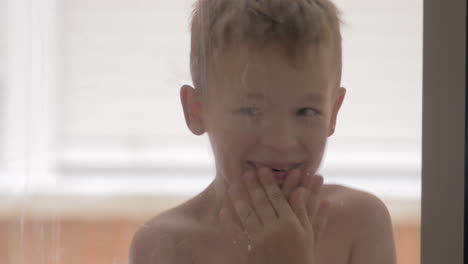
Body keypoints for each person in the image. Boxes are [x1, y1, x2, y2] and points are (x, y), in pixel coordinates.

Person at [129, 0, 397, 263]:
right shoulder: (164, 245)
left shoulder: (361, 224)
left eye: (306, 111)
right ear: (196, 111)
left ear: (333, 113)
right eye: (250, 111)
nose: (282, 141)